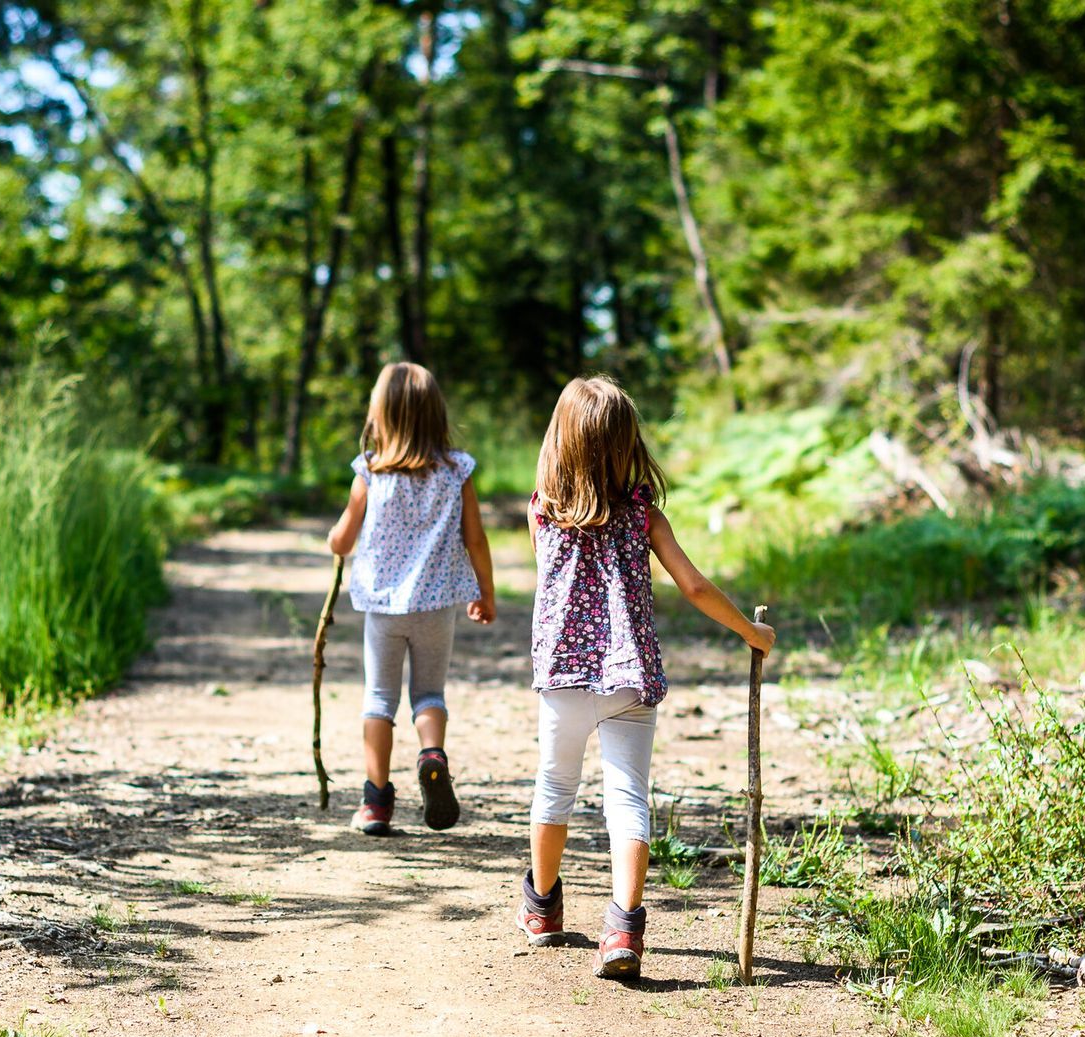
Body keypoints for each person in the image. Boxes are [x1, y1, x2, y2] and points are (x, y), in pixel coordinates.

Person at [516, 376, 775, 980]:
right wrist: (750, 633)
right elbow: (695, 586)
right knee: (627, 798)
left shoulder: (542, 510)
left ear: (560, 442)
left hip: (562, 679)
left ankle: (542, 910)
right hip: (630, 676)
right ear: (626, 441)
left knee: (554, 787)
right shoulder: (643, 516)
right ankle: (623, 928)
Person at [327, 362, 496, 834]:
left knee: (379, 699)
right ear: (435, 415)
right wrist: (486, 592)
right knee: (428, 693)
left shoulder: (370, 472)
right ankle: (432, 754)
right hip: (437, 606)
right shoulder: (456, 471)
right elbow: (476, 538)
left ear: (380, 415)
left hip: (383, 610)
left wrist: (333, 540)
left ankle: (376, 801)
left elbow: (343, 539)